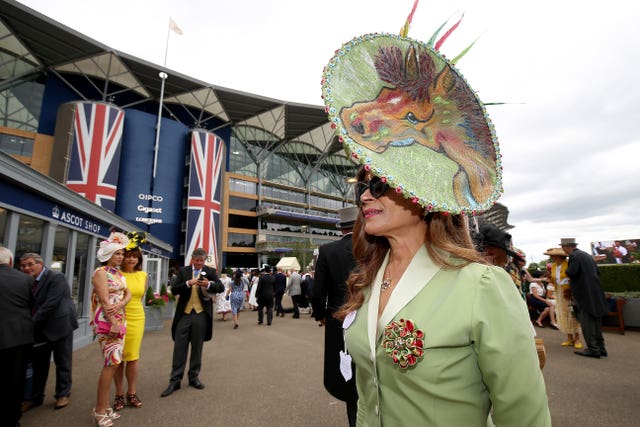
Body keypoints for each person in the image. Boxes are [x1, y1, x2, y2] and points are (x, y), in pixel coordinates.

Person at [323, 7, 550, 424]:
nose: (363, 198)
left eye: (378, 185)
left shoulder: (482, 286)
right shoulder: (369, 278)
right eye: (361, 186)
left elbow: (525, 414)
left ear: (423, 198)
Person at [311, 207, 359, 427]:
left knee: (347, 382)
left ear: (341, 228)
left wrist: (321, 315)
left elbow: (317, 291)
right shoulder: (374, 246)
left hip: (338, 319)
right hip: (370, 316)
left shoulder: (327, 250)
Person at [18, 253, 78, 412]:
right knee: (39, 365)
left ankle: (62, 394)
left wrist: (29, 323)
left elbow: (51, 303)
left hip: (60, 326)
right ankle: (35, 397)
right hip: (40, 329)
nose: (27, 268)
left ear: (40, 264)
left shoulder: (56, 277)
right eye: (23, 266)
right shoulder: (26, 281)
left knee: (62, 362)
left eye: (30, 264)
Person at [160, 248, 223, 397]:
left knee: (197, 347)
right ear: (192, 259)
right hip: (184, 314)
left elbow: (220, 287)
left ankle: (194, 377)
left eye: (202, 260)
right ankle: (175, 380)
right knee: (179, 348)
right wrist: (188, 283)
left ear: (205, 260)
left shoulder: (211, 271)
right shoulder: (183, 271)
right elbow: (174, 290)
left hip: (201, 314)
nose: (200, 263)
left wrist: (208, 284)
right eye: (197, 260)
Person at [91, 232, 132, 426]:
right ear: (108, 254)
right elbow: (104, 299)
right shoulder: (101, 273)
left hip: (119, 321)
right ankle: (99, 409)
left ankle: (106, 406)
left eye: (122, 253)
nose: (122, 257)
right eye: (118, 253)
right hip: (108, 324)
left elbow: (128, 293)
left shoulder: (117, 273)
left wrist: (123, 301)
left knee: (114, 363)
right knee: (111, 364)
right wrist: (114, 322)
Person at [113, 232, 147, 411]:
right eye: (128, 256)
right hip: (118, 317)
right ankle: (118, 394)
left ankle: (131, 392)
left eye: (135, 257)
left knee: (132, 358)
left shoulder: (143, 275)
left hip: (137, 317)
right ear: (122, 257)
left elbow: (140, 297)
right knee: (118, 359)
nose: (131, 259)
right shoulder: (115, 274)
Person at [0, 246, 34, 427]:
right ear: (11, 262)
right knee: (14, 381)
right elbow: (32, 306)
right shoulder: (25, 280)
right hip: (18, 338)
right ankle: (12, 420)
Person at [561, 238, 609, 358]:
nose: (563, 249)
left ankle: (593, 349)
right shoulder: (587, 255)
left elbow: (572, 272)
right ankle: (601, 348)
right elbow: (597, 272)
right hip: (595, 292)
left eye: (563, 247)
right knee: (596, 321)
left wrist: (566, 271)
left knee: (587, 322)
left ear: (568, 246)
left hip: (584, 294)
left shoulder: (574, 256)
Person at [544, 247, 583, 349]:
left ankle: (577, 339)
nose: (551, 258)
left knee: (573, 315)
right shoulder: (553, 266)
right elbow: (553, 280)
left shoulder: (568, 264)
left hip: (569, 292)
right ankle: (569, 338)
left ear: (558, 256)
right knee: (563, 315)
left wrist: (570, 290)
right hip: (559, 292)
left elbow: (573, 277)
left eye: (553, 256)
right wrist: (550, 278)